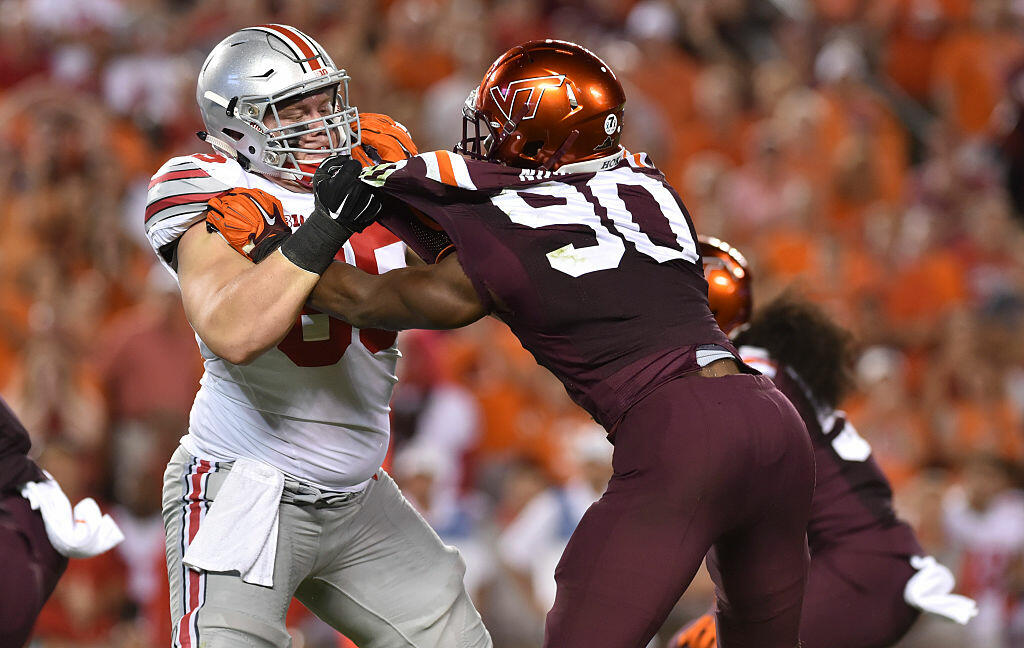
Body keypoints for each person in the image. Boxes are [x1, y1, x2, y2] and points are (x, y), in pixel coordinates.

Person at [221, 40, 816, 648]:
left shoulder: (508, 230)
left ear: (536, 137)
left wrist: (282, 245)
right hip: (774, 422)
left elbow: (365, 299)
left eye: (498, 124)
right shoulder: (648, 186)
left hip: (684, 436)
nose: (482, 138)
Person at [144, 24, 490, 648]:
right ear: (238, 124)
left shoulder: (368, 170)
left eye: (325, 101)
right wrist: (328, 223)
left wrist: (409, 202)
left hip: (360, 496)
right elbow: (234, 331)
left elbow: (459, 287)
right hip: (247, 484)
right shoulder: (211, 190)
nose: (320, 122)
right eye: (291, 110)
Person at [670, 236, 979, 648]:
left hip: (857, 565)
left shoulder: (751, 364)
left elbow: (731, 460)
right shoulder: (763, 367)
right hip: (860, 564)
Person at [0, 396, 123, 647]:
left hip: (97, 635)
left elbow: (122, 583)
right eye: (56, 465)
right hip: (40, 637)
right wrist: (64, 591)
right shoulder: (24, 512)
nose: (63, 472)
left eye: (68, 465)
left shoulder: (98, 516)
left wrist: (98, 601)